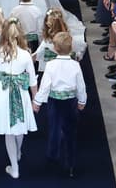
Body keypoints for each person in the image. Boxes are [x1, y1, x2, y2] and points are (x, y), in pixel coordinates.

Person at [0, 18, 38, 179]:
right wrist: (36, 100)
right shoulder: (26, 55)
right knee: (19, 126)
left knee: (9, 132)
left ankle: (15, 167)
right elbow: (32, 80)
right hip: (20, 93)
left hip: (2, 94)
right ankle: (18, 153)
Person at [32, 32, 87, 177]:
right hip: (70, 102)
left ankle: (52, 157)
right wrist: (82, 101)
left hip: (54, 102)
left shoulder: (50, 65)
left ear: (55, 49)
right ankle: (70, 164)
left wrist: (37, 102)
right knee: (70, 132)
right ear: (71, 48)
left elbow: (45, 86)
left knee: (54, 129)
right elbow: (81, 86)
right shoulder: (75, 65)